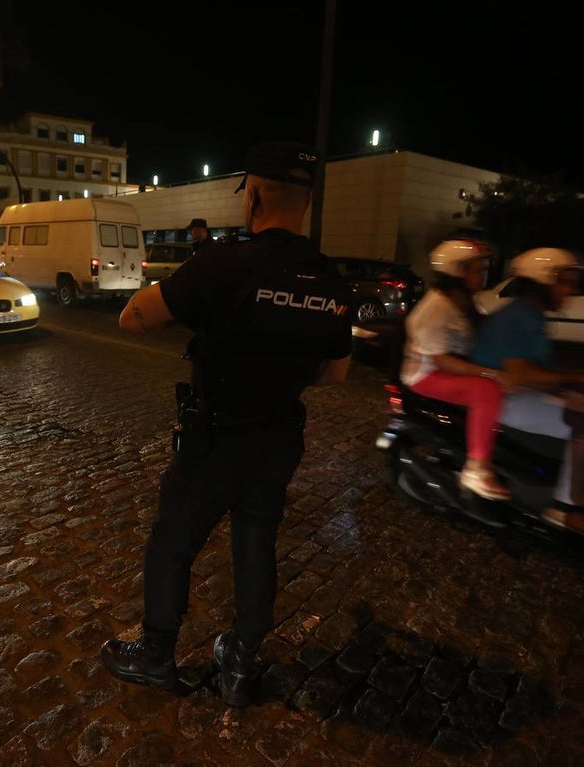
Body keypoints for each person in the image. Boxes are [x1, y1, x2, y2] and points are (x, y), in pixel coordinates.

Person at [101, 141, 354, 707]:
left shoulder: (225, 263)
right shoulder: (330, 281)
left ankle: (158, 655)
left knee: (173, 542)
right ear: (307, 202)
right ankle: (240, 662)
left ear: (254, 195)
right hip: (279, 436)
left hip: (217, 437)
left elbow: (132, 318)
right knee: (256, 544)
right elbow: (335, 375)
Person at [470, 248, 584, 541]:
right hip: (505, 399)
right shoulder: (517, 317)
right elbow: (524, 374)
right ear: (542, 283)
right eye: (565, 282)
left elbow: (540, 366)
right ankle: (567, 509)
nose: (571, 290)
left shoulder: (531, 314)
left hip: (521, 392)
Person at [401, 239, 514, 505]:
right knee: (486, 392)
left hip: (450, 365)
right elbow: (443, 362)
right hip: (425, 374)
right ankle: (475, 469)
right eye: (474, 269)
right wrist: (491, 374)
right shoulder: (437, 307)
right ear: (455, 272)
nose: (481, 275)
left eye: (482, 269)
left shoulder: (465, 300)